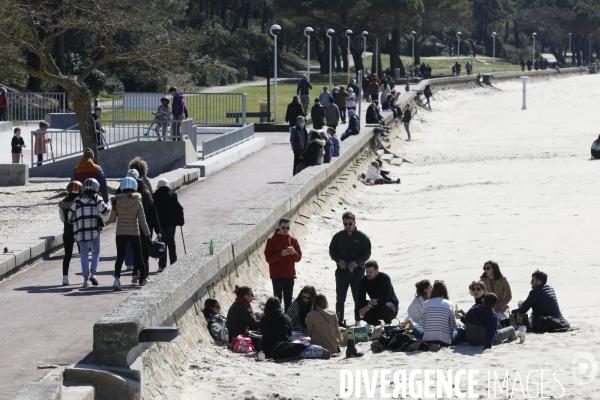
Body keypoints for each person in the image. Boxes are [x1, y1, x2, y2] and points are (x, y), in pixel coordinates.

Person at [329, 211, 372, 325]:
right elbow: (332, 251)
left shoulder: (362, 237)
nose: (348, 226)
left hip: (357, 272)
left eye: (350, 224)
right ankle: (339, 321)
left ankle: (358, 320)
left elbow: (367, 253)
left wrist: (357, 262)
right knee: (340, 299)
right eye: (345, 224)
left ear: (355, 223)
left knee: (357, 298)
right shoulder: (338, 237)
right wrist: (339, 260)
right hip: (341, 272)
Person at [109, 177, 151, 290]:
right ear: (134, 188)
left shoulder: (115, 202)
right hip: (134, 232)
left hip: (120, 232)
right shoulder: (138, 202)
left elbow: (112, 220)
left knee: (120, 257)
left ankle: (117, 280)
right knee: (139, 256)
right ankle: (144, 279)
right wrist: (147, 236)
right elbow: (142, 222)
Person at [68, 178, 109, 288]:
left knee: (83, 255)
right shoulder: (97, 198)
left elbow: (69, 218)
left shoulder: (77, 200)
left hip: (81, 232)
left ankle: (85, 279)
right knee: (95, 252)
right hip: (94, 231)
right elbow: (106, 212)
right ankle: (93, 273)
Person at [264, 217, 302, 312]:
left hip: (289, 275)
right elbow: (268, 259)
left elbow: (298, 258)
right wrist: (280, 254)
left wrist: (294, 253)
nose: (285, 230)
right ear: (279, 227)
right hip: (277, 276)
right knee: (277, 301)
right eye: (283, 227)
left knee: (288, 300)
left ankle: (288, 322)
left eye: (287, 228)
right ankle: (277, 321)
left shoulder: (293, 240)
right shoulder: (271, 240)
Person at [153, 178, 184, 272]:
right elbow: (179, 209)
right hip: (171, 223)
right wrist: (180, 221)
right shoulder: (172, 195)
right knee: (172, 242)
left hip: (160, 223)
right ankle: (174, 262)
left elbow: (153, 211)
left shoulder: (155, 196)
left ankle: (162, 265)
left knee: (162, 243)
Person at [357, 260, 399, 326]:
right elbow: (360, 299)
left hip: (390, 306)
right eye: (367, 272)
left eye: (370, 272)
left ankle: (388, 326)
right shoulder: (363, 281)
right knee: (358, 309)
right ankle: (377, 324)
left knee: (384, 306)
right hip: (375, 305)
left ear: (376, 271)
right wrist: (369, 302)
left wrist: (370, 306)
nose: (368, 274)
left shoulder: (385, 278)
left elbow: (384, 298)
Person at [59, 181, 82, 286]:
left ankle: (65, 278)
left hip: (67, 231)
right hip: (79, 230)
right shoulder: (81, 201)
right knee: (83, 254)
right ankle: (86, 276)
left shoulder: (63, 203)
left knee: (67, 255)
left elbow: (62, 218)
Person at [420, 281, 456, 347]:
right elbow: (452, 326)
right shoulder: (450, 304)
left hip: (427, 340)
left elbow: (424, 323)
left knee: (417, 328)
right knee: (460, 331)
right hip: (444, 341)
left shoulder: (426, 303)